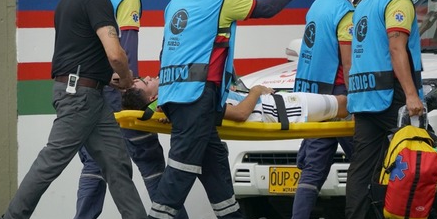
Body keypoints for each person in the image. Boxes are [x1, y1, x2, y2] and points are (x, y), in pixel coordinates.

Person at [0, 0, 179, 219]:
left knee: (116, 162)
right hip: (81, 97)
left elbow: (80, 53)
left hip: (85, 92)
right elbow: (115, 52)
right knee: (51, 162)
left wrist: (109, 79)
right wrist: (129, 81)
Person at [146, 0, 298, 219]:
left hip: (176, 92)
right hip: (197, 95)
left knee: (213, 157)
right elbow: (267, 9)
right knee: (184, 161)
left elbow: (169, 50)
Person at [67, 0, 212, 219]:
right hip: (115, 90)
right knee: (148, 154)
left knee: (96, 160)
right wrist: (131, 88)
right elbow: (125, 49)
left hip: (89, 85)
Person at [344, 0, 437, 219]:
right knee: (416, 157)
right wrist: (412, 96)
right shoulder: (397, 0)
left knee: (364, 164)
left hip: (364, 94)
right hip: (392, 94)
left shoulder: (363, 2)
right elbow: (397, 48)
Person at [283, 0, 363, 219]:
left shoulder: (317, 5)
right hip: (339, 97)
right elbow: (349, 62)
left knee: (313, 166)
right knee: (368, 161)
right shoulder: (345, 11)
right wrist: (357, 100)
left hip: (311, 96)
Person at [121, 76, 349, 122]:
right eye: (146, 81)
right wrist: (257, 91)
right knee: (344, 104)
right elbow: (239, 114)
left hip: (275, 105)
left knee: (342, 106)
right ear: (153, 96)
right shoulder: (185, 102)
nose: (150, 76)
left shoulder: (175, 105)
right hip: (276, 110)